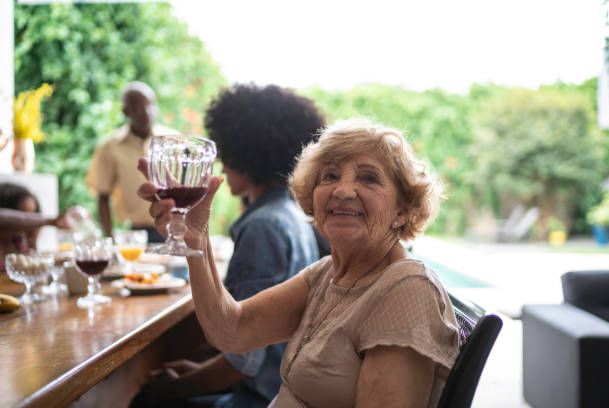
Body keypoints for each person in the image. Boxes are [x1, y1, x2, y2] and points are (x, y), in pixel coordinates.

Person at [139, 118, 460, 407]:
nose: (343, 190)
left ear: (403, 209)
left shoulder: (405, 289)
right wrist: (196, 238)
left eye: (370, 179)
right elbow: (232, 331)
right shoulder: (327, 274)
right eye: (330, 175)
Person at [132, 84, 325, 408]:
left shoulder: (264, 227)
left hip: (260, 398)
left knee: (145, 400)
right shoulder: (290, 214)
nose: (220, 162)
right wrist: (198, 370)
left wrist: (176, 388)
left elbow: (243, 356)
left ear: (248, 153)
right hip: (276, 386)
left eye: (226, 153)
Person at [86, 81, 178, 243]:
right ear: (125, 111)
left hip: (174, 229)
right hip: (134, 236)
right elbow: (103, 197)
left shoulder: (174, 142)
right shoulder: (109, 147)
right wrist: (110, 239)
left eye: (151, 105)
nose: (147, 112)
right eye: (139, 106)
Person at [0, 183, 76, 270]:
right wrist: (51, 221)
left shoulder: (20, 240)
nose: (31, 221)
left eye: (33, 214)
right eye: (22, 215)